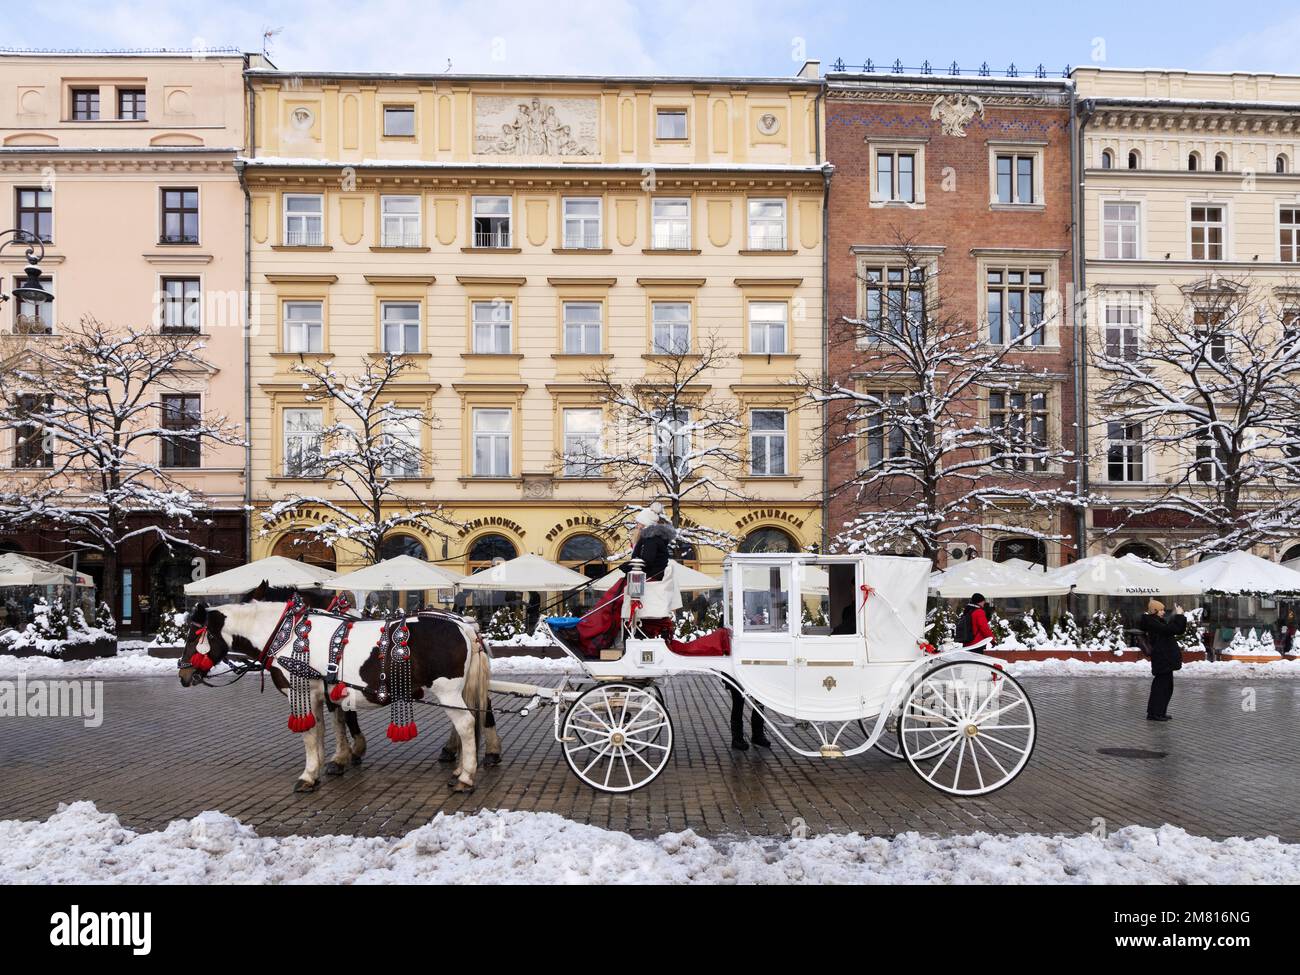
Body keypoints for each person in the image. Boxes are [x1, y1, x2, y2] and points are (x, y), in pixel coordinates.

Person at [1139, 598, 1186, 722]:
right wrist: (1179, 616)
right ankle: (1155, 713)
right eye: (1161, 610)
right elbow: (1171, 630)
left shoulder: (1156, 621)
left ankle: (1159, 712)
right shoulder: (1152, 622)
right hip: (1162, 659)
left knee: (1166, 687)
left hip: (1165, 659)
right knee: (1161, 687)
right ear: (1154, 611)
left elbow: (1175, 629)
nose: (1163, 612)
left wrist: (1178, 617)